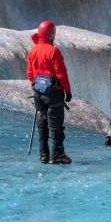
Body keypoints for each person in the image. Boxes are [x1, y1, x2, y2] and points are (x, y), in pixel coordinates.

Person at [27, 20, 72, 164]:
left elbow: (29, 74)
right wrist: (67, 90)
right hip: (54, 93)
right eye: (53, 33)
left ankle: (43, 155)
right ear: (49, 34)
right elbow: (61, 73)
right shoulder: (53, 51)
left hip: (38, 93)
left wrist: (38, 84)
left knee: (42, 122)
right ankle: (57, 154)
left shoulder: (33, 50)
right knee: (55, 125)